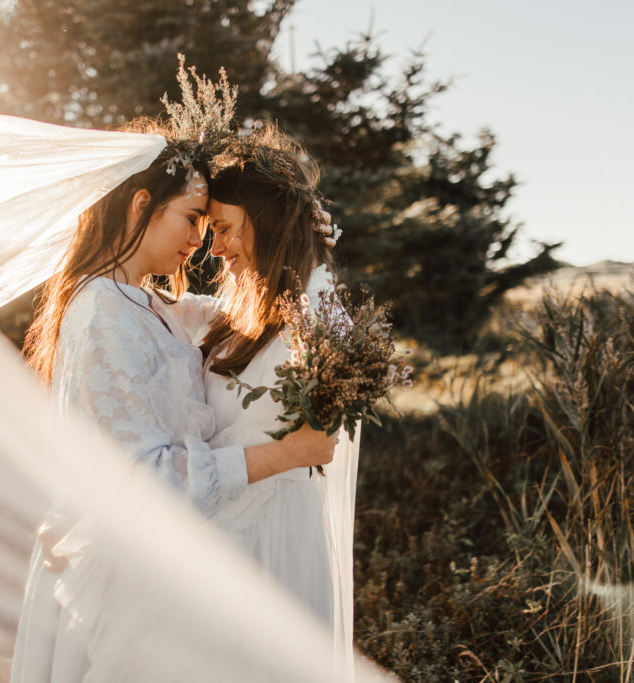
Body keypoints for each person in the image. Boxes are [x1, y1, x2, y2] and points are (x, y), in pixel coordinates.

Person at [11, 120, 337, 683]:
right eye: (192, 219)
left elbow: (250, 320)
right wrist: (288, 454)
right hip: (127, 576)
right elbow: (147, 478)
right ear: (141, 205)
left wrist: (304, 243)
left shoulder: (146, 304)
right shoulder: (102, 313)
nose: (200, 243)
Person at [168, 123, 360, 660]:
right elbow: (154, 310)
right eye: (209, 230)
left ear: (271, 223)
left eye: (226, 229)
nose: (215, 247)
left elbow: (319, 440)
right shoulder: (234, 316)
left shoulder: (320, 315)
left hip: (272, 541)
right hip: (214, 534)